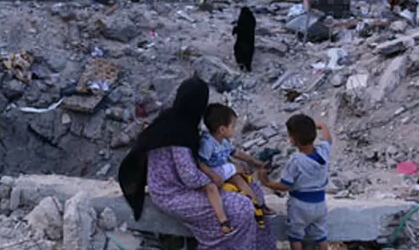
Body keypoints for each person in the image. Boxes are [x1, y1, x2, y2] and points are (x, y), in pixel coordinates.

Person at [118, 77, 275, 250]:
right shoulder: (179, 132)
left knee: (255, 192)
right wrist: (224, 173)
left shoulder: (178, 122)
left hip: (189, 184)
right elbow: (190, 177)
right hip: (172, 193)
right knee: (242, 207)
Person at [258, 114, 332, 250]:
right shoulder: (324, 151)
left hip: (300, 205)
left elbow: (285, 185)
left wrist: (266, 183)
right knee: (321, 234)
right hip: (320, 203)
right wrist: (322, 125)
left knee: (295, 235)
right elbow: (328, 138)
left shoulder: (296, 161)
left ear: (292, 139)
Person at [197, 104, 273, 232]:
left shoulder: (223, 141)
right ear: (222, 129)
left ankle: (256, 203)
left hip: (223, 170)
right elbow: (201, 162)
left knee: (239, 178)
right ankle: (254, 203)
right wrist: (217, 174)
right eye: (233, 126)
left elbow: (236, 153)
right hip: (212, 173)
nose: (235, 129)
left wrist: (254, 161)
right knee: (235, 171)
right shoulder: (208, 143)